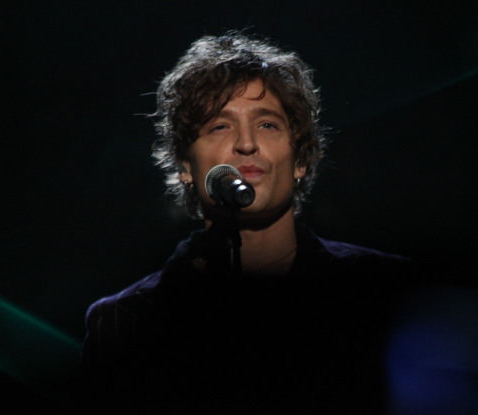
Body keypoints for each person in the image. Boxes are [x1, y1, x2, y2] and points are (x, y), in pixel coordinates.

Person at [81, 30, 415, 414]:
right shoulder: (126, 320)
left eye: (267, 124)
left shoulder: (384, 289)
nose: (246, 143)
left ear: (300, 160)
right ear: (186, 165)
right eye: (219, 126)